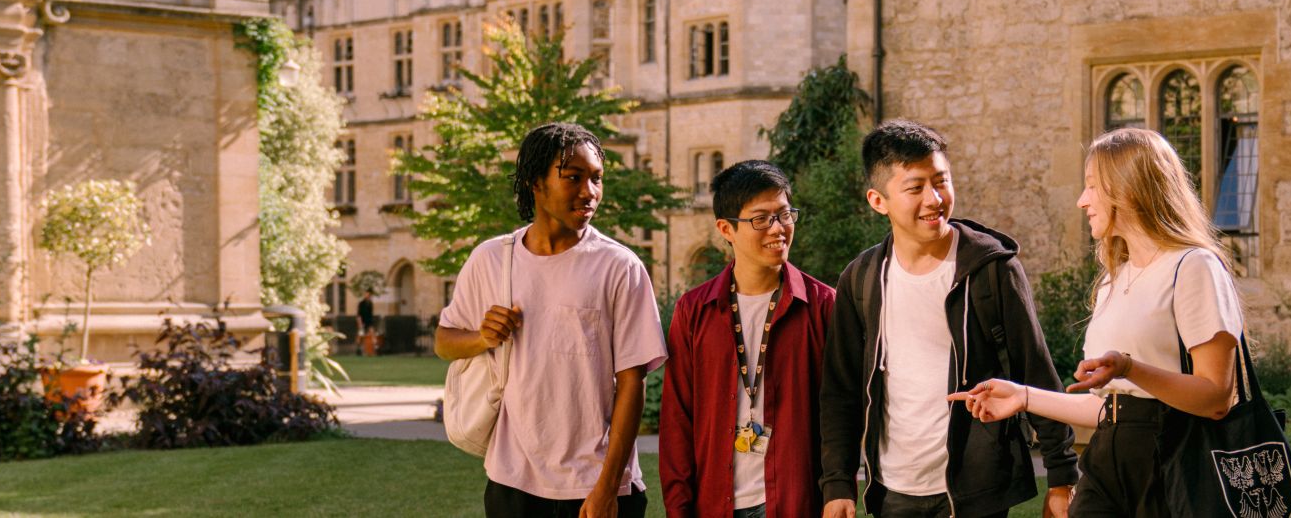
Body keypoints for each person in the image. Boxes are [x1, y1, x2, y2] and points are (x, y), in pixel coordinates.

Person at [951, 127, 1244, 518]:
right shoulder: (1113, 278)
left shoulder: (1193, 267)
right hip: (1107, 462)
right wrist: (1022, 397)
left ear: (1128, 189)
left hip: (1173, 465)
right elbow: (1108, 408)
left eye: (1092, 186)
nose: (1081, 200)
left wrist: (1129, 368)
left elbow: (1216, 398)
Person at [820, 119, 1079, 518]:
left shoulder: (992, 269)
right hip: (894, 491)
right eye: (915, 187)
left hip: (977, 489)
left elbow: (1035, 370)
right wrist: (838, 482)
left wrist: (1061, 475)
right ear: (878, 200)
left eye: (941, 181)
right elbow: (841, 391)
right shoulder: (861, 279)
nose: (934, 198)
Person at [434, 122, 667, 518]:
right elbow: (443, 341)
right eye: (573, 177)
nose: (589, 191)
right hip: (512, 482)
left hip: (596, 485)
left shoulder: (619, 266)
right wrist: (482, 336)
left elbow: (632, 381)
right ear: (533, 183)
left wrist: (608, 488)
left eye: (597, 178)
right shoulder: (490, 260)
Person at [660, 160, 835, 518]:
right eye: (761, 219)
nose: (778, 228)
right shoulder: (694, 311)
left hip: (794, 501)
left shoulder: (822, 306)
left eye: (785, 215)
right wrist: (678, 509)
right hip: (715, 504)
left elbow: (838, 413)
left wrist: (836, 491)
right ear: (726, 229)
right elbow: (677, 419)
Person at [356, 290, 376, 356]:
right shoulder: (361, 303)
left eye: (368, 295)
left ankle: (375, 348)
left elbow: (371, 314)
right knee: (360, 335)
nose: (367, 296)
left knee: (372, 333)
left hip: (369, 322)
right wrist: (360, 323)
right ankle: (358, 349)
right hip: (362, 322)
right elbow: (359, 315)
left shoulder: (370, 303)